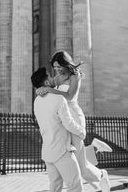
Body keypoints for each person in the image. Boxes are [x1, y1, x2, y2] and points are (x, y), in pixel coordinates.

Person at [36, 51, 110, 192]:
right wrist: (40, 89)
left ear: (65, 63)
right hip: (62, 118)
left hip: (74, 116)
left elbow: (70, 97)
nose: (57, 69)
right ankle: (94, 147)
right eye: (55, 67)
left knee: (82, 167)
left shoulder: (75, 76)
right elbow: (48, 86)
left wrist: (49, 91)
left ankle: (102, 174)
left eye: (59, 66)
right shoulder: (58, 77)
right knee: (73, 157)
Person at [31, 66, 86, 192]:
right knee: (75, 187)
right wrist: (81, 131)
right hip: (62, 152)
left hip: (47, 152)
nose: (52, 79)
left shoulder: (36, 101)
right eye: (50, 77)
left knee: (55, 187)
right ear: (46, 82)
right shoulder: (59, 99)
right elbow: (68, 123)